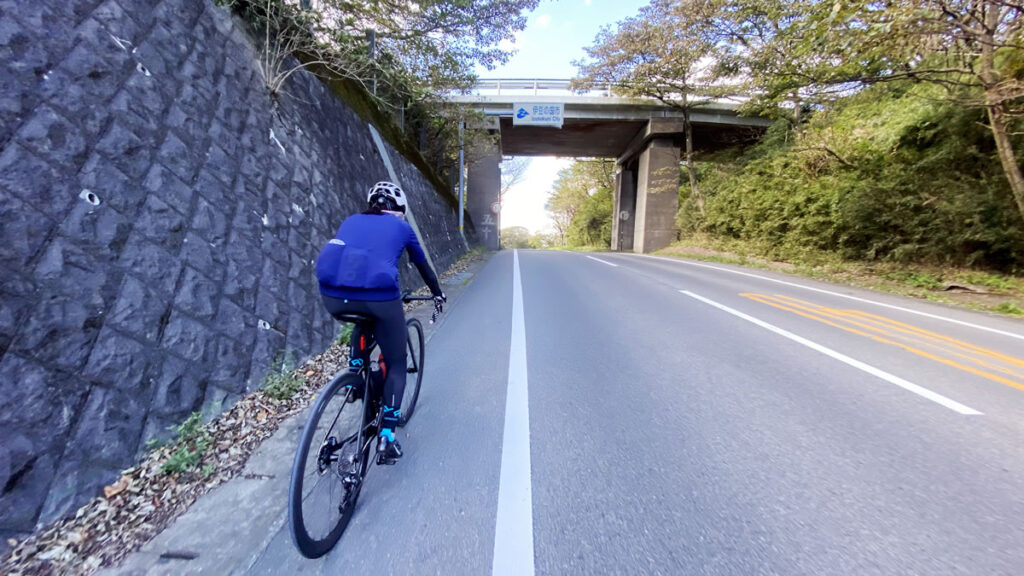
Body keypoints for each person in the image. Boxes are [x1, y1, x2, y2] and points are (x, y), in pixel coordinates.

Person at [316, 181, 445, 464]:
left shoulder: (351, 220)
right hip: (380, 298)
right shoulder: (403, 228)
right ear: (400, 210)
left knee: (361, 318)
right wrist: (437, 293)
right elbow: (423, 266)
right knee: (397, 364)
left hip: (333, 296)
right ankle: (387, 435)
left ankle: (355, 377)